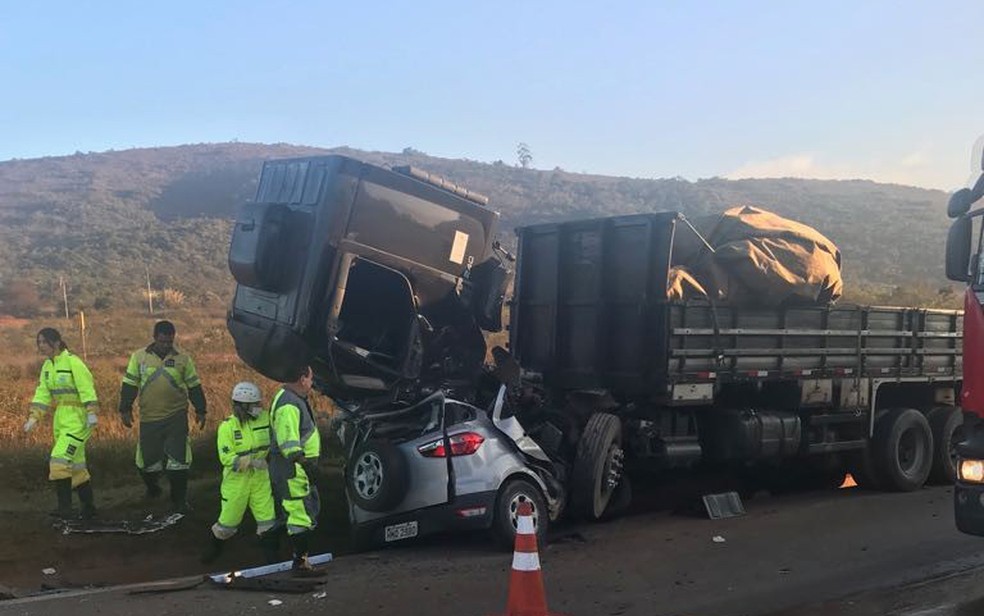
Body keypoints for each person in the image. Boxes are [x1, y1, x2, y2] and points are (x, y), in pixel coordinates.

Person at [119, 320, 207, 513]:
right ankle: (153, 489)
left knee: (179, 461)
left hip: (176, 416)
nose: (166, 345)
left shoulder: (183, 359)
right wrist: (125, 409)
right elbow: (130, 385)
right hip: (149, 418)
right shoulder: (139, 357)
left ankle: (179, 501)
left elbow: (194, 386)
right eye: (162, 341)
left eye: (170, 342)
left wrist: (201, 409)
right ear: (154, 338)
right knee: (148, 464)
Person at [23, 328, 99, 520]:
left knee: (58, 461)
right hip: (61, 419)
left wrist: (91, 411)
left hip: (78, 420)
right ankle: (89, 507)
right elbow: (43, 393)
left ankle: (65, 508)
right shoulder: (47, 367)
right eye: (38, 342)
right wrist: (34, 416)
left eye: (43, 342)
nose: (40, 346)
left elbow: (86, 388)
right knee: (76, 467)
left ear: (56, 342)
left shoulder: (73, 362)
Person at [201, 381, 279, 564]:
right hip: (236, 482)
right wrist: (250, 462)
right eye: (255, 404)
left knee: (268, 521)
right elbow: (226, 458)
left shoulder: (266, 419)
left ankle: (272, 560)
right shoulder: (228, 427)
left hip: (261, 479)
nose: (259, 407)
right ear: (243, 405)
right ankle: (214, 550)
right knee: (228, 523)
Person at [268, 365, 322, 576]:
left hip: (294, 467)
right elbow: (288, 442)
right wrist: (306, 464)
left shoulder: (290, 399)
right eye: (310, 378)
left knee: (301, 511)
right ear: (302, 379)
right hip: (293, 468)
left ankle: (280, 545)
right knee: (300, 514)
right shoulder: (289, 403)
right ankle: (300, 563)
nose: (311, 383)